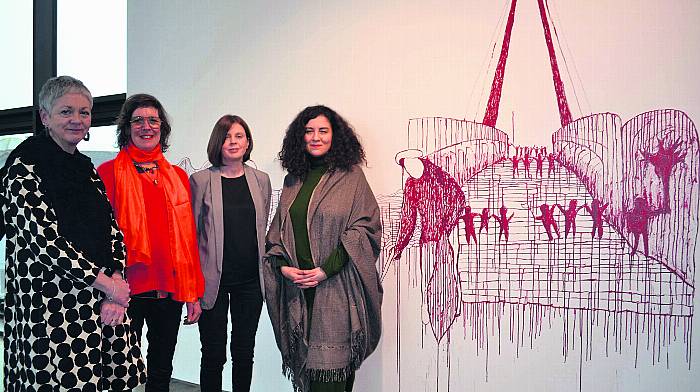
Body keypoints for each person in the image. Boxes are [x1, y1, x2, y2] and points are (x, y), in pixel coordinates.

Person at [0, 75, 145, 391]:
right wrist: (108, 285)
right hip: (50, 309)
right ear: (45, 116)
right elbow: (43, 242)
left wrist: (115, 285)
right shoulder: (25, 166)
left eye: (84, 112)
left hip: (97, 301)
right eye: (66, 111)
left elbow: (112, 231)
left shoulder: (84, 166)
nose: (77, 120)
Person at [264, 105, 383, 392]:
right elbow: (276, 236)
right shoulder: (293, 180)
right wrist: (283, 267)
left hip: (337, 290)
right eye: (308, 131)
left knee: (330, 378)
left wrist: (325, 270)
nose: (315, 137)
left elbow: (365, 229)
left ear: (335, 136)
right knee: (310, 373)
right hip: (299, 292)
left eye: (323, 131)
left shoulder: (351, 177)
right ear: (300, 137)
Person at [97, 93, 204, 391]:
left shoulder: (179, 177)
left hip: (168, 290)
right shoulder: (107, 173)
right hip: (125, 291)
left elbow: (188, 238)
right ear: (127, 127)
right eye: (138, 120)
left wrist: (192, 292)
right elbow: (99, 237)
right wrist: (108, 290)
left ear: (162, 127)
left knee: (161, 369)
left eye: (153, 120)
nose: (147, 126)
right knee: (119, 371)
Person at [190, 115, 272, 391]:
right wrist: (191, 289)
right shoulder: (201, 180)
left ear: (248, 142)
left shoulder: (261, 180)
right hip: (212, 282)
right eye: (227, 137)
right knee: (213, 355)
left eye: (239, 136)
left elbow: (262, 229)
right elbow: (192, 234)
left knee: (243, 352)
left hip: (250, 282)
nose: (233, 142)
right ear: (218, 142)